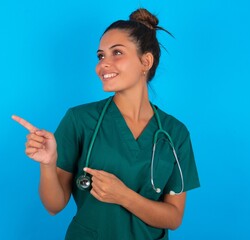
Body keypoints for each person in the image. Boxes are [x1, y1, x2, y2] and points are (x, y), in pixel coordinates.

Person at [12, 8, 200, 240]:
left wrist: (123, 195)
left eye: (117, 53)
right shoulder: (79, 120)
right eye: (101, 56)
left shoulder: (174, 134)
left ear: (146, 61)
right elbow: (54, 205)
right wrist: (48, 164)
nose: (102, 65)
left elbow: (173, 218)